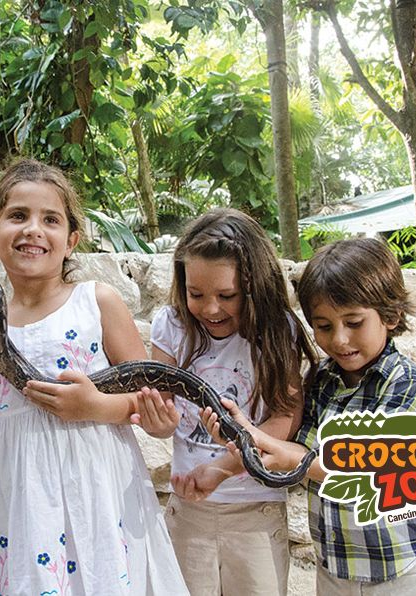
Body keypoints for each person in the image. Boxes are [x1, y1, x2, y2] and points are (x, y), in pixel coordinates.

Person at [0, 157, 187, 595]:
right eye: (17, 216)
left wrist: (94, 406)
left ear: (71, 240)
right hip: (30, 499)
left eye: (50, 219)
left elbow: (148, 400)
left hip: (102, 491)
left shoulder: (97, 302)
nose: (33, 229)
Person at [204, 237, 416, 595]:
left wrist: (285, 453)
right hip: (336, 569)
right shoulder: (320, 381)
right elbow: (294, 457)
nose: (340, 340)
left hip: (402, 569)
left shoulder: (404, 382)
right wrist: (243, 439)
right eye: (324, 326)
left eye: (354, 322)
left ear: (391, 316)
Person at [131, 208, 318, 596]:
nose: (211, 308)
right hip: (190, 512)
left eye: (227, 295)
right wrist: (157, 422)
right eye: (196, 294)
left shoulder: (276, 330)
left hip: (256, 512)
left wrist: (224, 467)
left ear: (254, 286)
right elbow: (160, 405)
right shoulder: (172, 325)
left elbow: (286, 416)